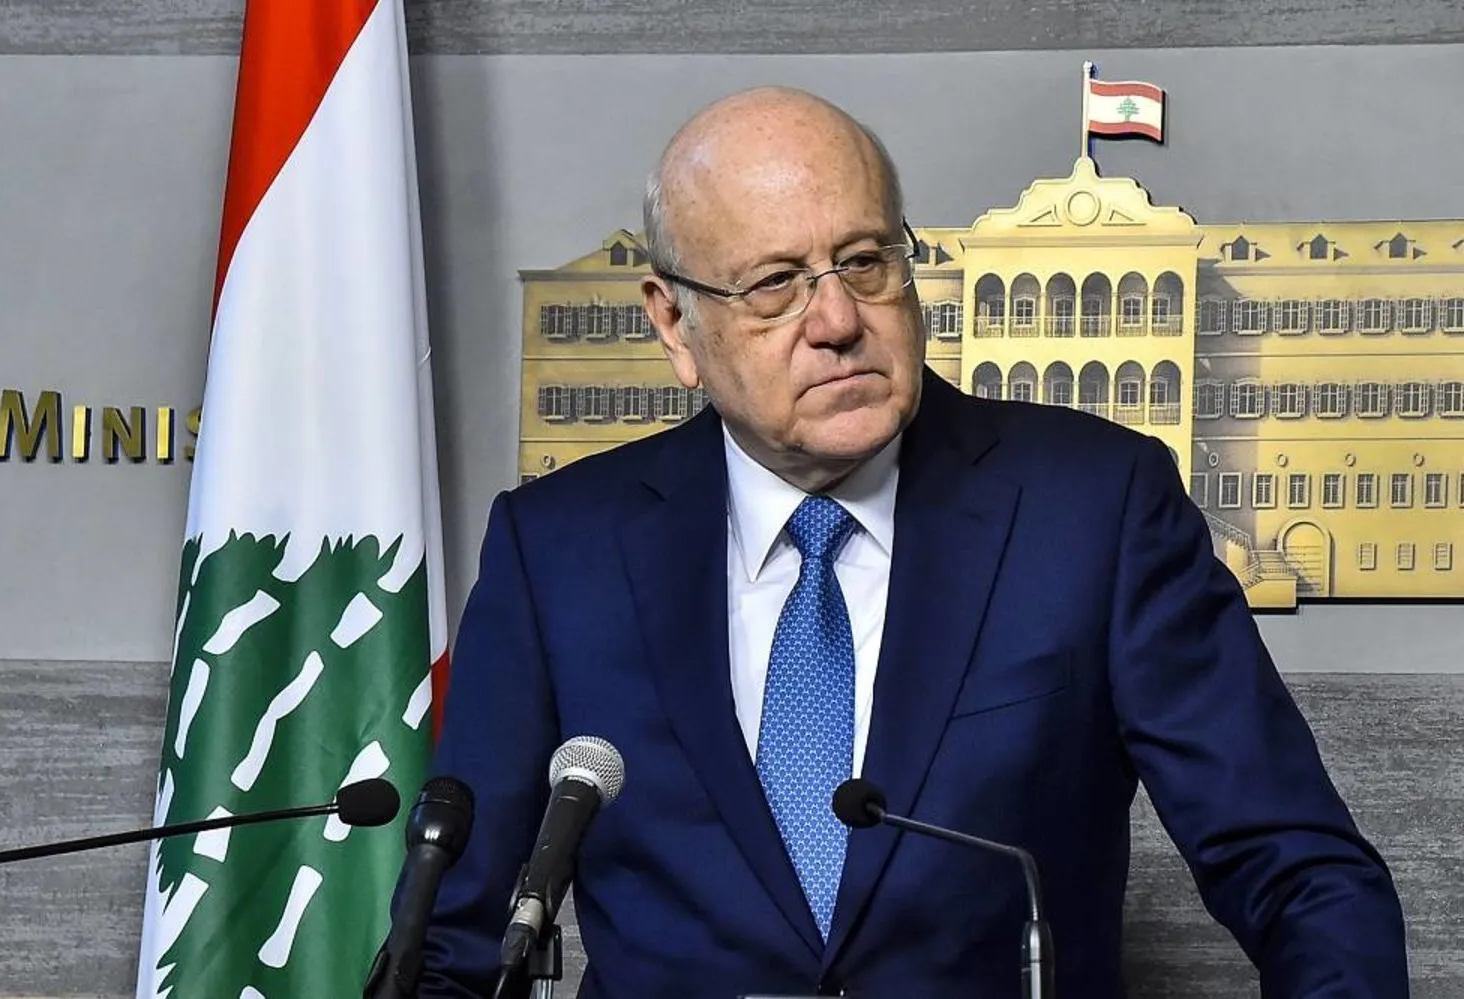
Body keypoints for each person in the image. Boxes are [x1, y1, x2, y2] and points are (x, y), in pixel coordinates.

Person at [420, 86, 1408, 997]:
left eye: (864, 261)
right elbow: (451, 938)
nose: (839, 321)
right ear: (675, 324)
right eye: (774, 286)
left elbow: (1302, 874)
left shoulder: (1094, 510)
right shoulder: (558, 551)